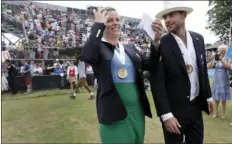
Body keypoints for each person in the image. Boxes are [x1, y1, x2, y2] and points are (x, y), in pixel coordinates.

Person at [80, 7, 160, 143]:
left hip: (136, 112)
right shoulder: (98, 47)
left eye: (117, 19)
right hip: (113, 114)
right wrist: (98, 25)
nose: (115, 23)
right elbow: (87, 55)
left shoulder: (130, 48)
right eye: (109, 20)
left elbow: (150, 65)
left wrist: (156, 42)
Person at [150, 2, 214, 144]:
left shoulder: (198, 39)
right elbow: (157, 81)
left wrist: (208, 96)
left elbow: (202, 70)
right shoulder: (161, 42)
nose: (167, 20)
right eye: (165, 17)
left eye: (172, 15)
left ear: (184, 15)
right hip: (174, 111)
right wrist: (166, 115)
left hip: (196, 107)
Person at [207, 44, 231, 118]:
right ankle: (216, 112)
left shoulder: (228, 58)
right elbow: (209, 67)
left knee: (223, 98)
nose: (223, 52)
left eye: (224, 51)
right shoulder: (216, 58)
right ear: (219, 51)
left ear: (226, 51)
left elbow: (228, 67)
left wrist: (221, 60)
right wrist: (213, 60)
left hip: (224, 79)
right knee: (216, 97)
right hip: (217, 79)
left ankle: (223, 113)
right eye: (221, 51)